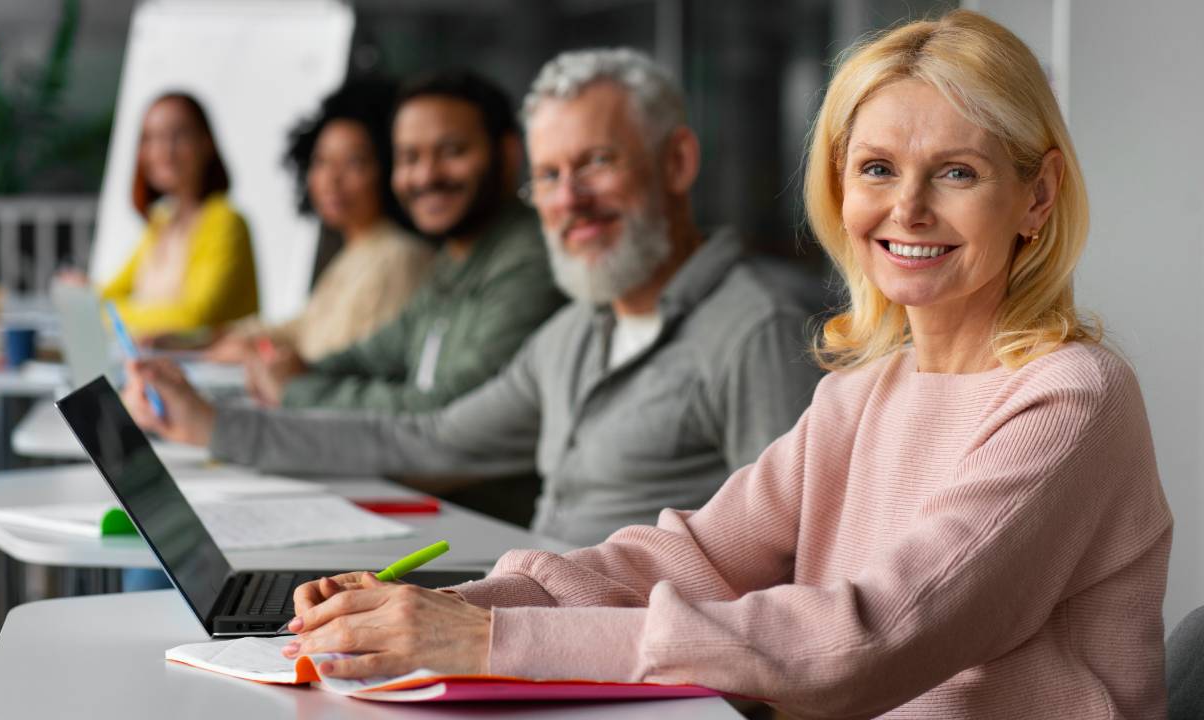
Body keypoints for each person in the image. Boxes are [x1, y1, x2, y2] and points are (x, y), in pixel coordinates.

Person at [269, 12, 1172, 718]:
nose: (907, 209)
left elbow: (868, 643)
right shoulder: (861, 393)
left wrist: (494, 639)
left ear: (1038, 195)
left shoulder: (1070, 398)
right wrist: (457, 603)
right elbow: (690, 556)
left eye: (958, 173)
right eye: (877, 169)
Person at [122, 48, 825, 546]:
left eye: (597, 163)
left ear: (676, 163)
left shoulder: (756, 329)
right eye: (549, 176)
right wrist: (214, 426)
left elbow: (785, 572)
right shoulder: (582, 331)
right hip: (536, 623)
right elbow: (429, 437)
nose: (568, 200)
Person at [238, 70, 565, 412]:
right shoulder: (455, 258)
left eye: (452, 151)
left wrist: (298, 390)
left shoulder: (529, 260)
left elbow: (456, 410)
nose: (426, 176)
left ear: (510, 154)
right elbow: (376, 353)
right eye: (409, 158)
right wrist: (296, 371)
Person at [206, 79, 434, 365]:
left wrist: (259, 354)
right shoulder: (356, 252)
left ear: (390, 167)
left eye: (354, 162)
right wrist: (224, 339)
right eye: (321, 161)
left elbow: (355, 369)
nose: (332, 178)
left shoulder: (398, 258)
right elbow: (299, 328)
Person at [99, 92, 258, 341]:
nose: (164, 150)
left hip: (213, 374)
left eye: (179, 135)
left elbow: (195, 317)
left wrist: (110, 316)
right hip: (162, 368)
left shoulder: (225, 222)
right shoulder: (162, 221)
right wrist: (81, 294)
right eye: (151, 138)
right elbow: (109, 294)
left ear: (206, 143)